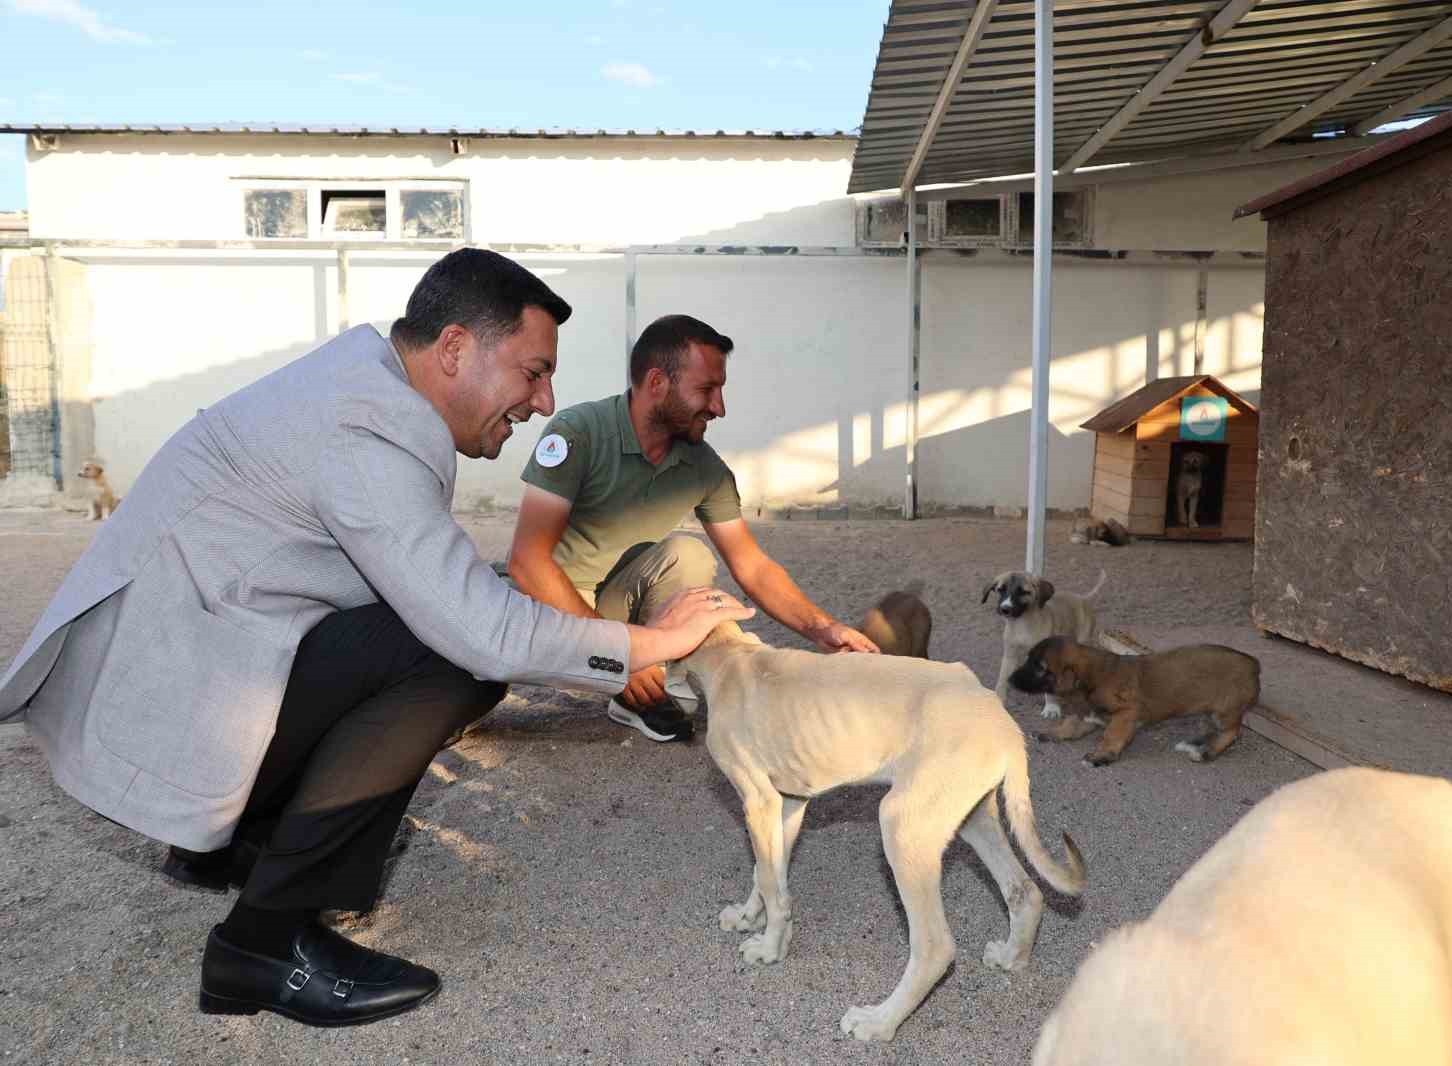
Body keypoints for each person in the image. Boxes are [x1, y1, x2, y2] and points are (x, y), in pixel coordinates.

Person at [0, 249, 752, 1027]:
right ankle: (259, 945)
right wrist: (648, 643)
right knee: (450, 654)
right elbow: (479, 631)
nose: (543, 400)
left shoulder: (367, 387)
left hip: (188, 675)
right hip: (167, 712)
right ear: (456, 348)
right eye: (532, 372)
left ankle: (228, 845)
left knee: (430, 625)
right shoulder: (366, 426)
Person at [505, 313, 877, 744]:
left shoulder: (704, 466)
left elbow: (753, 567)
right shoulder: (578, 434)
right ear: (658, 383)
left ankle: (638, 694)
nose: (719, 407)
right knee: (469, 681)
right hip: (549, 607)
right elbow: (527, 562)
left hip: (610, 608)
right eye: (707, 390)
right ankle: (625, 667)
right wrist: (611, 653)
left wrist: (824, 629)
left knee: (690, 554)